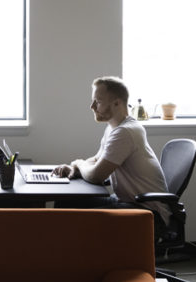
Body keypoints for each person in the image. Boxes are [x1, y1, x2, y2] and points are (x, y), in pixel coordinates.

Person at [52, 76, 170, 225]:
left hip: (147, 212)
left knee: (69, 214)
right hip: (128, 202)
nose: (92, 106)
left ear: (117, 103)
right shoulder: (114, 128)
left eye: (98, 101)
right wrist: (74, 168)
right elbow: (96, 160)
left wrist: (79, 164)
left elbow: (96, 175)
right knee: (65, 204)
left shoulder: (125, 132)